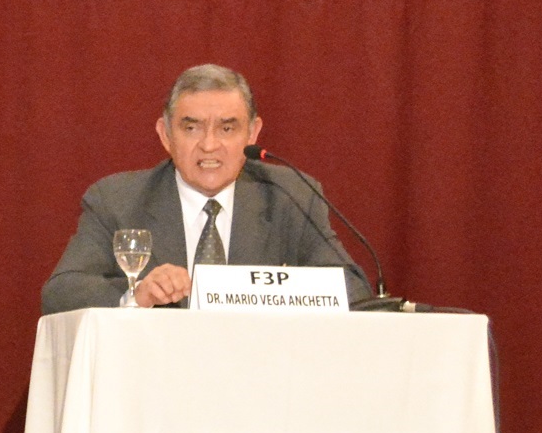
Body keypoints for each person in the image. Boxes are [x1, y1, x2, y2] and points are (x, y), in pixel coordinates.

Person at [41, 64, 369, 313]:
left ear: (252, 134)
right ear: (165, 135)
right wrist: (137, 294)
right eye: (192, 128)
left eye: (227, 129)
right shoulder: (117, 200)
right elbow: (61, 293)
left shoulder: (291, 196)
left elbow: (355, 291)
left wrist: (277, 289)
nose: (209, 145)